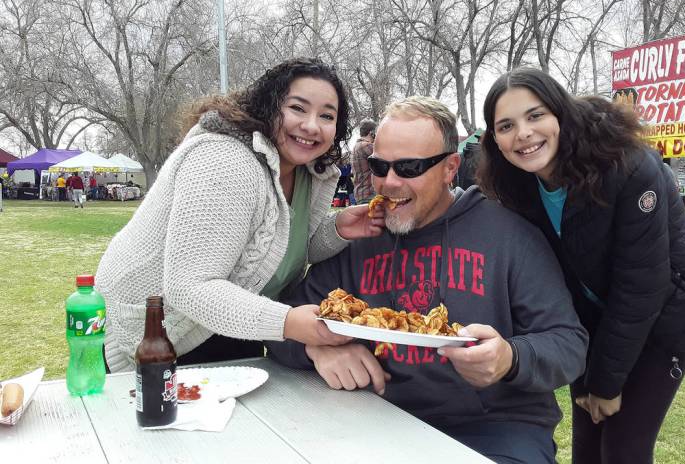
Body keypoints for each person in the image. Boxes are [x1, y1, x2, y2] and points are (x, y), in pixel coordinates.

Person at [268, 96, 588, 464]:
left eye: (409, 167)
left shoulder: (510, 236)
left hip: (494, 429)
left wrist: (509, 359)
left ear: (451, 168)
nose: (388, 183)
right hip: (376, 419)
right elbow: (277, 321)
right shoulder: (361, 239)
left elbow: (568, 344)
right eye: (379, 166)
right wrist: (316, 345)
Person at [475, 67, 685, 464]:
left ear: (559, 112)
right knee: (587, 447)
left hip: (667, 311)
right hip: (594, 321)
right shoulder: (515, 182)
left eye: (535, 115)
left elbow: (641, 287)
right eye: (506, 125)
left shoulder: (626, 165)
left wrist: (605, 383)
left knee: (622, 449)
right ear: (494, 139)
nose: (523, 133)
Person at [95, 57, 385, 373]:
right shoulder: (225, 160)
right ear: (268, 107)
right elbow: (189, 286)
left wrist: (338, 228)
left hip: (236, 322)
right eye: (298, 108)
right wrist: (287, 321)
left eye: (327, 116)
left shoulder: (308, 173)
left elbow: (277, 249)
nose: (312, 125)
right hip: (160, 335)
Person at [350, 118, 377, 204]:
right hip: (369, 193)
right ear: (371, 133)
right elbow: (387, 157)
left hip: (361, 193)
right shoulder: (366, 146)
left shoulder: (357, 146)